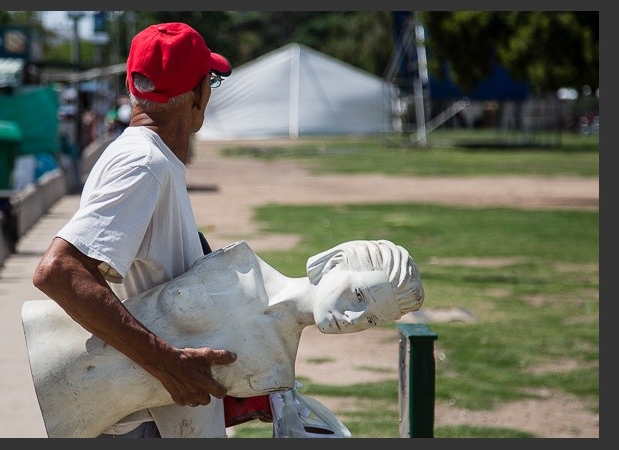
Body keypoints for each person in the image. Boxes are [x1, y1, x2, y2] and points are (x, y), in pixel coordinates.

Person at [32, 22, 236, 438]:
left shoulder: (148, 158)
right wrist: (169, 364)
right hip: (145, 422)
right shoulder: (144, 164)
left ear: (132, 86)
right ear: (198, 95)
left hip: (154, 413)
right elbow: (59, 271)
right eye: (209, 81)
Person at [23, 239, 424, 438]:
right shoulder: (240, 263)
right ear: (336, 260)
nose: (353, 319)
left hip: (79, 418)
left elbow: (184, 417)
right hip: (48, 337)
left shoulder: (275, 372)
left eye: (370, 321)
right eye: (358, 296)